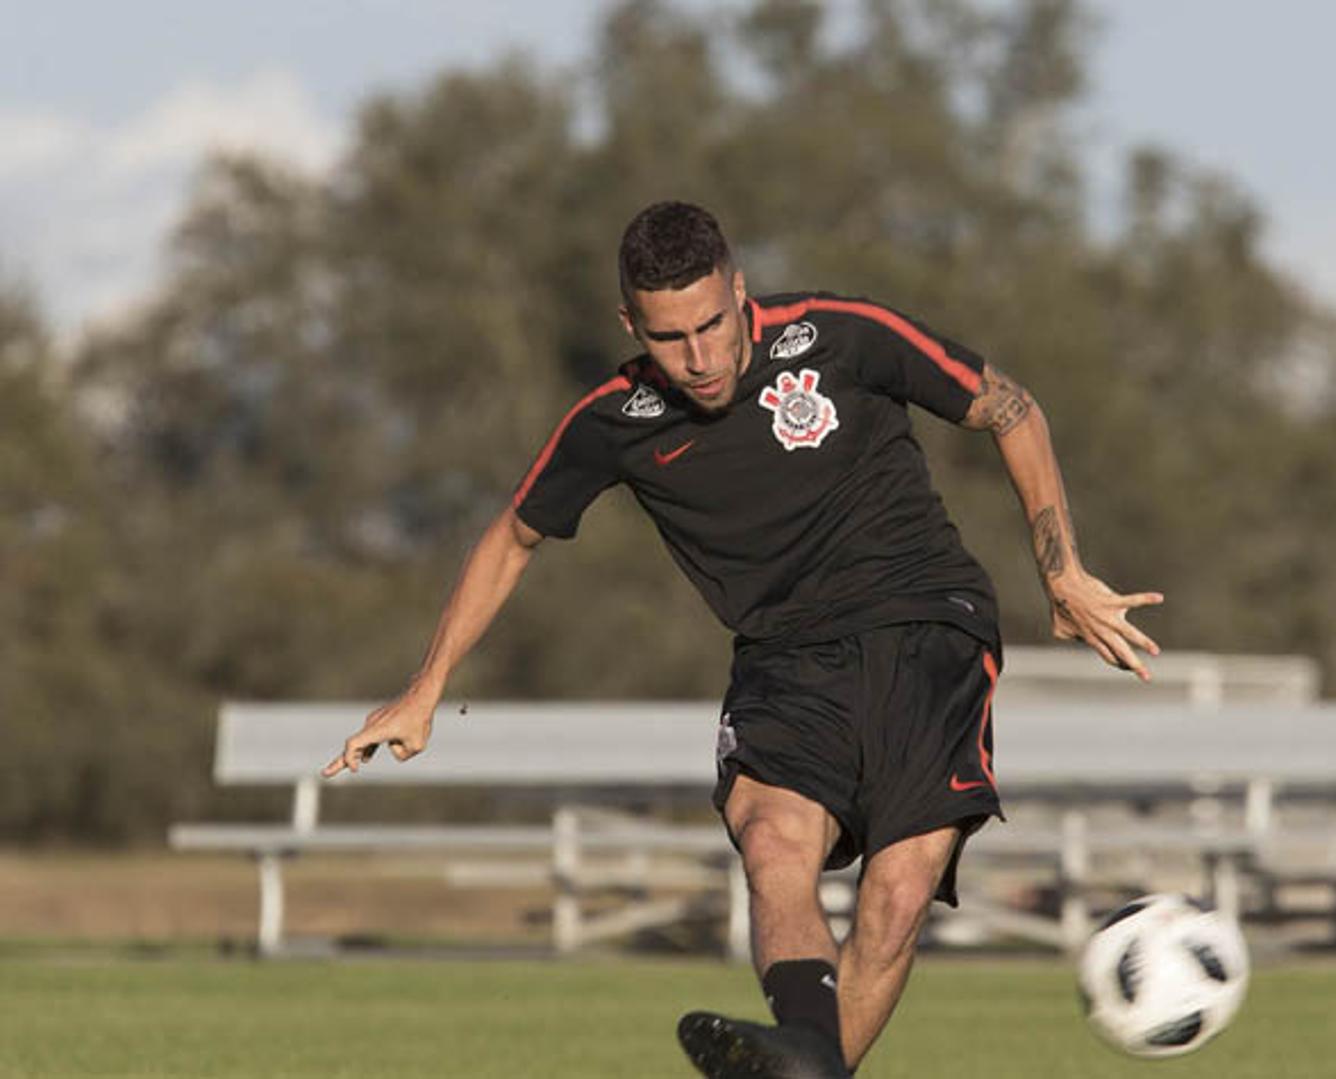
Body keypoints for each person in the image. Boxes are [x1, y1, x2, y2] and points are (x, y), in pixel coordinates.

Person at [321, 201, 1162, 1078]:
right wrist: (426, 688)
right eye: (670, 336)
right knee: (771, 841)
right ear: (631, 326)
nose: (700, 356)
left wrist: (1060, 570)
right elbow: (512, 537)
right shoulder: (614, 420)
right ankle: (808, 1062)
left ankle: (805, 1061)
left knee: (896, 897)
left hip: (925, 621)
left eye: (713, 323)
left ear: (740, 288)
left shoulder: (841, 335)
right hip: (783, 657)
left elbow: (1013, 409)